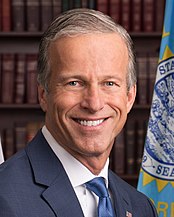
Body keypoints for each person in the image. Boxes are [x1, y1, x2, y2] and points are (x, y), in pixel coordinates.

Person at [0, 8, 158, 217]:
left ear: (130, 96)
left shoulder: (141, 207)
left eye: (109, 83)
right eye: (74, 83)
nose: (94, 103)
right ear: (43, 94)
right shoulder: (5, 198)